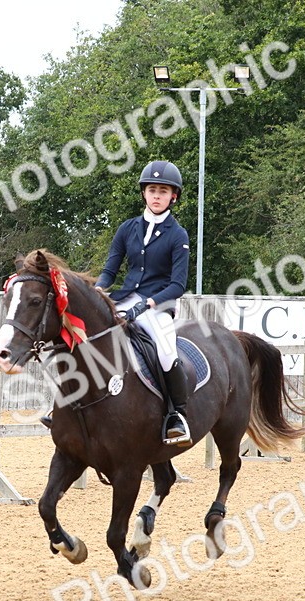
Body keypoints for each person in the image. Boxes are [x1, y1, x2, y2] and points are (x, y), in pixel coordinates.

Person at [95, 159, 193, 446]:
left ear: (173, 196)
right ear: (144, 193)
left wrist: (149, 303)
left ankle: (177, 415)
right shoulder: (128, 228)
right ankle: (70, 406)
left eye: (163, 191)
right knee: (90, 338)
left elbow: (177, 285)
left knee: (165, 352)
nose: (157, 196)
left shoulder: (178, 235)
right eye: (152, 190)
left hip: (158, 306)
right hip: (124, 300)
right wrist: (98, 291)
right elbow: (110, 270)